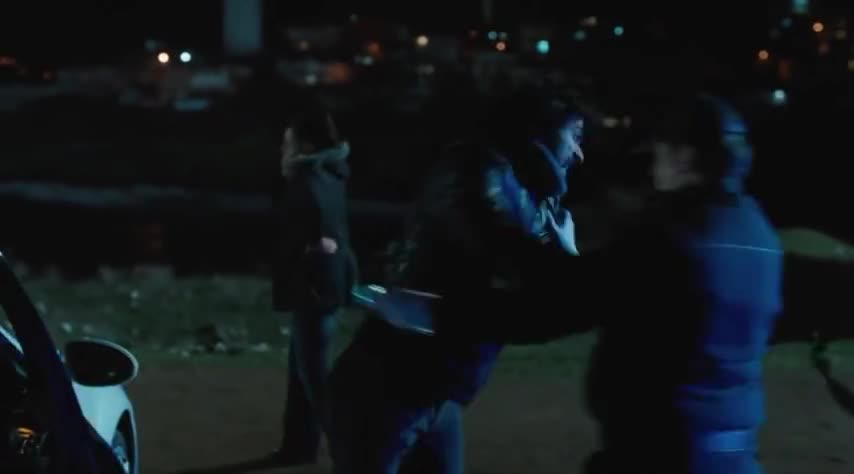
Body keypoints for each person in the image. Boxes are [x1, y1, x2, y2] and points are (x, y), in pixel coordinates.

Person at [420, 94, 783, 473]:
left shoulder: (669, 239)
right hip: (735, 455)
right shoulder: (761, 235)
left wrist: (444, 306)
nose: (653, 163)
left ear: (685, 157)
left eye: (660, 150)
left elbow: (554, 306)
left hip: (660, 453)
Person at [327, 85, 586, 474]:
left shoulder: (523, 193)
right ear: (540, 132)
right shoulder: (475, 175)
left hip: (434, 395)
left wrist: (564, 263)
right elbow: (514, 272)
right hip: (388, 390)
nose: (579, 153)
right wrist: (564, 262)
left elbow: (532, 301)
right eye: (574, 136)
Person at [271, 93, 356, 466]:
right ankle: (299, 446)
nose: (283, 149)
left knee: (314, 376)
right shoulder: (330, 174)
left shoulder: (309, 178)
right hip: (325, 285)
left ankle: (350, 448)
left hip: (314, 287)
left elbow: (322, 230)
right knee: (303, 371)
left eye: (288, 141)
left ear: (304, 144)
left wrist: (314, 247)